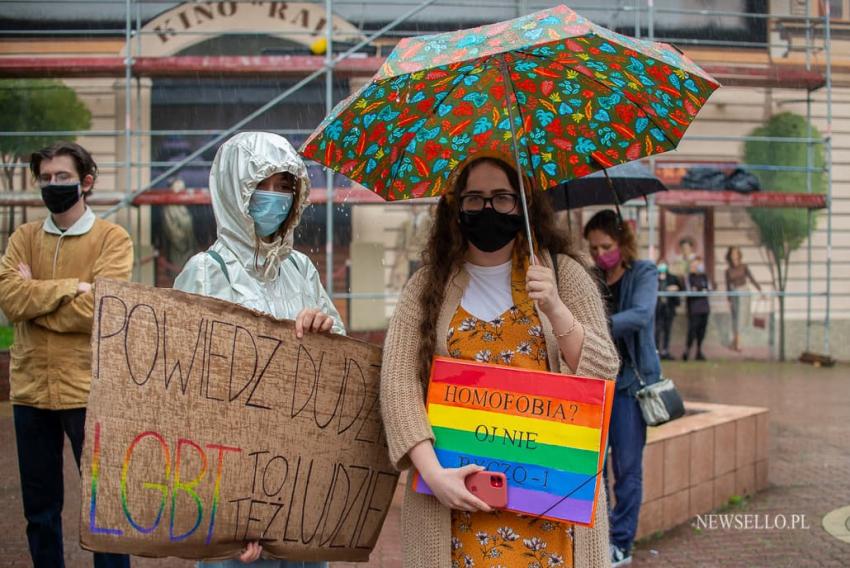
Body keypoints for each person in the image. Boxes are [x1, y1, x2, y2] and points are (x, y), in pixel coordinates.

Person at [380, 155, 620, 568]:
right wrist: (434, 476)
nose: (488, 209)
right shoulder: (426, 285)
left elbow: (601, 373)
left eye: (502, 198)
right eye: (475, 198)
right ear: (456, 207)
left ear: (524, 204)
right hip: (455, 512)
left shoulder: (563, 274)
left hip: (551, 516)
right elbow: (398, 385)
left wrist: (558, 309)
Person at [174, 131, 343, 567]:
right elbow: (184, 395)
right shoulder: (205, 274)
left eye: (285, 186)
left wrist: (325, 333)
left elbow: (343, 370)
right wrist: (228, 508)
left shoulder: (301, 269)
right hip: (230, 489)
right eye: (261, 186)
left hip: (299, 488)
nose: (275, 197)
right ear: (235, 190)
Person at [0, 142, 133, 568]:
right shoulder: (23, 238)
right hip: (31, 392)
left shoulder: (113, 238)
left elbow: (101, 310)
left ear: (86, 182)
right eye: (46, 179)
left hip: (89, 391)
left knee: (105, 514)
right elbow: (9, 300)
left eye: (62, 177)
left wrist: (35, 299)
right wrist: (68, 288)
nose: (53, 185)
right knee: (39, 514)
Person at [583, 210, 661, 567]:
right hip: (596, 382)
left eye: (607, 246)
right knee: (595, 467)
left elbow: (641, 314)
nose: (601, 254)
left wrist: (594, 326)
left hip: (631, 385)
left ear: (623, 242)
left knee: (627, 468)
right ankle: (599, 537)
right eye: (594, 248)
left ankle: (622, 544)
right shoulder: (591, 276)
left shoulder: (642, 272)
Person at [725, 246, 761, 351]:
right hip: (734, 293)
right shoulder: (728, 270)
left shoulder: (744, 266)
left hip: (744, 292)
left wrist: (760, 290)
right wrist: (729, 299)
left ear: (739, 255)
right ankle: (735, 342)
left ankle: (737, 343)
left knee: (741, 317)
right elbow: (728, 285)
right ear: (729, 256)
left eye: (736, 253)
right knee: (736, 318)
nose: (734, 256)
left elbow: (751, 278)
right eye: (732, 254)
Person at [683, 257, 712, 361]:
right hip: (694, 309)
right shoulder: (688, 277)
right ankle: (687, 351)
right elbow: (690, 291)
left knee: (702, 331)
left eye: (698, 265)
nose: (696, 267)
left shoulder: (704, 277)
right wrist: (700, 290)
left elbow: (709, 289)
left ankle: (699, 352)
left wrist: (699, 290)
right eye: (694, 265)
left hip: (705, 308)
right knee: (692, 331)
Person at [655, 260, 681, 360]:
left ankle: (665, 351)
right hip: (657, 309)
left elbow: (680, 288)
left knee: (667, 330)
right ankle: (656, 351)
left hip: (669, 308)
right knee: (657, 331)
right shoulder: (654, 278)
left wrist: (675, 288)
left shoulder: (672, 278)